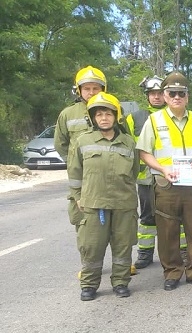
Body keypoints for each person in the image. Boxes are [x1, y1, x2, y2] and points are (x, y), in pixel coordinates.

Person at [136, 71, 192, 291]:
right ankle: (172, 273)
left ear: (187, 96)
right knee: (168, 231)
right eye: (172, 93)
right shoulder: (154, 120)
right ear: (165, 95)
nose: (177, 97)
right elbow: (144, 152)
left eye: (181, 93)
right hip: (166, 185)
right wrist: (162, 168)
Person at [68, 92, 138, 301]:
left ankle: (120, 282)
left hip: (123, 203)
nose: (104, 118)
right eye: (99, 114)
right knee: (91, 247)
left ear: (116, 116)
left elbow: (134, 171)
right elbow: (74, 173)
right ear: (93, 118)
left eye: (108, 113)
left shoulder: (128, 142)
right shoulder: (83, 140)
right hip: (93, 203)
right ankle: (89, 285)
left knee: (123, 245)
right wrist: (78, 197)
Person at [126, 76, 189, 269]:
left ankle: (183, 251)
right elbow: (128, 147)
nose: (155, 97)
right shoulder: (135, 118)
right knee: (147, 216)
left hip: (173, 175)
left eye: (158, 93)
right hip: (145, 178)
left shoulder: (174, 115)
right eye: (151, 94)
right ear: (147, 96)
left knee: (177, 214)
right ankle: (145, 253)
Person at [55, 66, 106, 228]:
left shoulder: (113, 110)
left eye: (95, 88)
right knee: (86, 228)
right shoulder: (67, 114)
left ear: (103, 89)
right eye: (87, 88)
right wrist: (73, 163)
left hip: (108, 176)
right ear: (79, 90)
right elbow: (60, 143)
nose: (91, 92)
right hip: (82, 179)